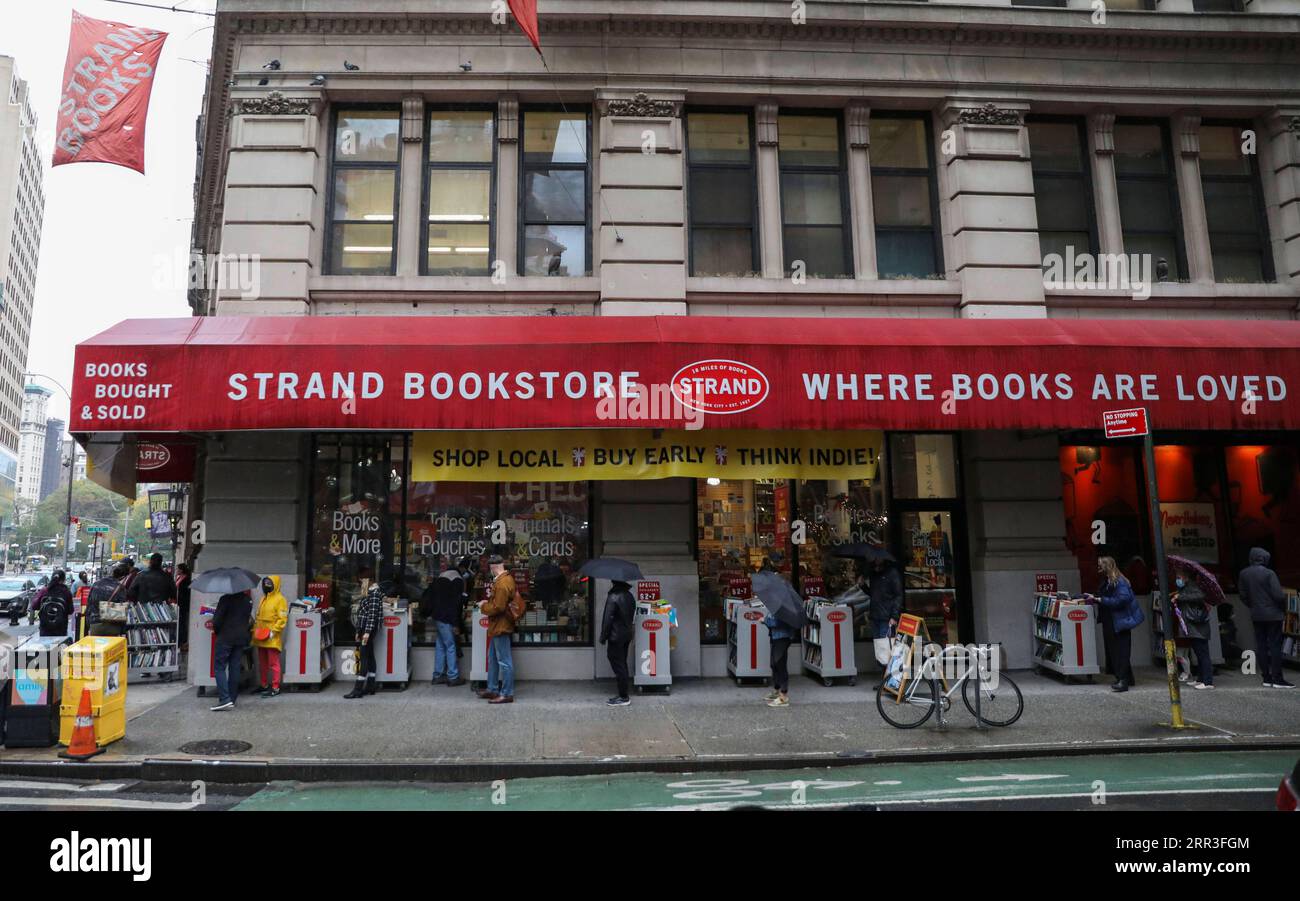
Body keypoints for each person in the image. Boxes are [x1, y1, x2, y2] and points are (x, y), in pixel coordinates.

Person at [1238, 547, 1294, 689]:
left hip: (1257, 614)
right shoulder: (1269, 573)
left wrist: (1254, 606)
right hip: (1273, 614)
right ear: (1264, 559)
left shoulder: (1244, 573)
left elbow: (1243, 595)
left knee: (1261, 645)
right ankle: (1278, 679)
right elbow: (1279, 596)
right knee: (1275, 646)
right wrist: (1282, 607)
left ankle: (1266, 678)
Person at [1096, 556, 1144, 692]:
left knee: (1121, 650)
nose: (1098, 568)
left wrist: (1102, 599)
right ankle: (1126, 677)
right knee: (1115, 650)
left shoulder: (1119, 581)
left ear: (1106, 566)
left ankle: (1123, 681)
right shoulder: (1108, 581)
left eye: (1100, 565)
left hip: (1119, 621)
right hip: (1111, 620)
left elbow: (1122, 600)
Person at [478, 554, 516, 704]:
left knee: (504, 661)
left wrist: (483, 606)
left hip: (500, 626)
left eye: (491, 569)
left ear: (494, 568)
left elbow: (498, 607)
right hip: (498, 626)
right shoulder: (506, 579)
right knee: (493, 659)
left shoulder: (501, 584)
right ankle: (492, 689)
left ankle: (506, 693)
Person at [426, 560, 467, 687]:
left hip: (437, 616)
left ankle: (437, 675)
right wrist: (456, 624)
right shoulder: (457, 580)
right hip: (447, 618)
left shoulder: (440, 577)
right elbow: (456, 604)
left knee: (440, 645)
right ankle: (453, 676)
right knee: (450, 645)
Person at [1171, 566, 1214, 690]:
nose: (1177, 580)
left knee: (1202, 653)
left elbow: (1199, 596)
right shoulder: (1185, 588)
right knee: (1198, 653)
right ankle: (1201, 679)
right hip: (1193, 626)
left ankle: (1207, 681)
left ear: (1185, 577)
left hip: (1198, 626)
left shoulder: (1193, 586)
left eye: (1179, 577)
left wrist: (1180, 597)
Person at [210, 589, 252, 711]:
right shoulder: (248, 600)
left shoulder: (225, 599)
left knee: (219, 667)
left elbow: (217, 621)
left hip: (225, 637)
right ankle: (232, 699)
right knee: (235, 667)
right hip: (241, 638)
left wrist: (218, 632)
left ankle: (224, 698)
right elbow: (248, 620)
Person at [867, 556, 902, 690]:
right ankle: (885, 680)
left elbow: (898, 595)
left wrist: (894, 616)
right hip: (875, 616)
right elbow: (873, 594)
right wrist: (862, 585)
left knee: (887, 649)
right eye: (874, 559)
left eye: (877, 559)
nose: (875, 560)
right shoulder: (874, 574)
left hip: (886, 618)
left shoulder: (892, 573)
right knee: (880, 649)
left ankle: (890, 681)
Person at [252, 575, 289, 698]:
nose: (267, 585)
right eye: (265, 583)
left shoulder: (280, 599)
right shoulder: (264, 598)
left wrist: (275, 630)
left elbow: (282, 618)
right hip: (260, 634)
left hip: (272, 636)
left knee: (273, 663)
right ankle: (263, 685)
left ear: (276, 584)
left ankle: (275, 687)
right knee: (262, 663)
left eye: (269, 583)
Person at [344, 585, 384, 699]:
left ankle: (358, 689)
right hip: (365, 629)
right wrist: (358, 631)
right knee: (370, 655)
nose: (362, 583)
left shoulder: (375, 593)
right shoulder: (369, 593)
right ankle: (370, 686)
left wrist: (366, 632)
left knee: (364, 656)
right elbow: (364, 614)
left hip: (368, 630)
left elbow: (372, 615)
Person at [600, 579, 635, 707]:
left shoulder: (613, 596)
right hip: (626, 634)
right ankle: (623, 693)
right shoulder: (630, 596)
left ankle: (623, 696)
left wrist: (603, 636)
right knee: (622, 662)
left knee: (617, 662)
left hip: (616, 636)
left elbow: (607, 618)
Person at [86, 563, 130, 637]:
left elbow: (89, 607)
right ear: (123, 577)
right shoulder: (120, 588)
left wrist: (89, 626)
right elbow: (122, 612)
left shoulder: (96, 584)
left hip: (95, 625)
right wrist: (123, 631)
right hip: (112, 626)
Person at [763, 608, 794, 708]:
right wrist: (766, 621)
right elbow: (772, 622)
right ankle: (777, 691)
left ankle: (783, 696)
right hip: (775, 637)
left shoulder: (785, 609)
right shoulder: (775, 607)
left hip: (782, 638)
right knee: (773, 664)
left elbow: (778, 623)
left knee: (780, 665)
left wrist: (765, 620)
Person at [33, 569, 73, 638]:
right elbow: (70, 610)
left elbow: (34, 606)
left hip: (45, 626)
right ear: (63, 580)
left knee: (45, 647)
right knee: (58, 647)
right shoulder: (66, 592)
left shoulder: (45, 590)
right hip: (61, 626)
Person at [175, 563, 193, 651]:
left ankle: (183, 641)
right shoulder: (179, 578)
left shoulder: (186, 579)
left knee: (182, 622)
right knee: (180, 622)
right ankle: (180, 640)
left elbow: (185, 592)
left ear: (181, 570)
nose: (176, 570)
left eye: (177, 569)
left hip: (183, 604)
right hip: (178, 603)